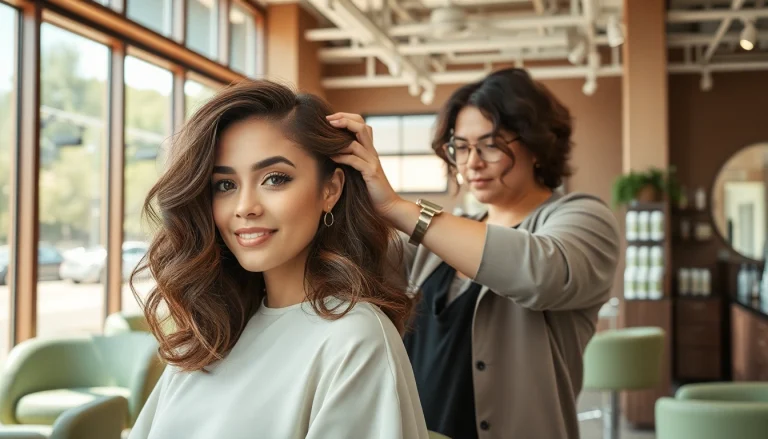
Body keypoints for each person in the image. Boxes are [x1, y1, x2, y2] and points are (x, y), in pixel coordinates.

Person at [328, 67, 621, 438]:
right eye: (461, 147)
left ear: (535, 145)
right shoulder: (444, 235)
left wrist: (397, 207)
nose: (472, 162)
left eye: (491, 144)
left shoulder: (582, 217)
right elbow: (357, 262)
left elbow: (542, 274)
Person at [127, 80, 428, 439]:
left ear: (330, 189)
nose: (245, 208)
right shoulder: (213, 332)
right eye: (225, 185)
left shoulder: (354, 339)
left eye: (274, 179)